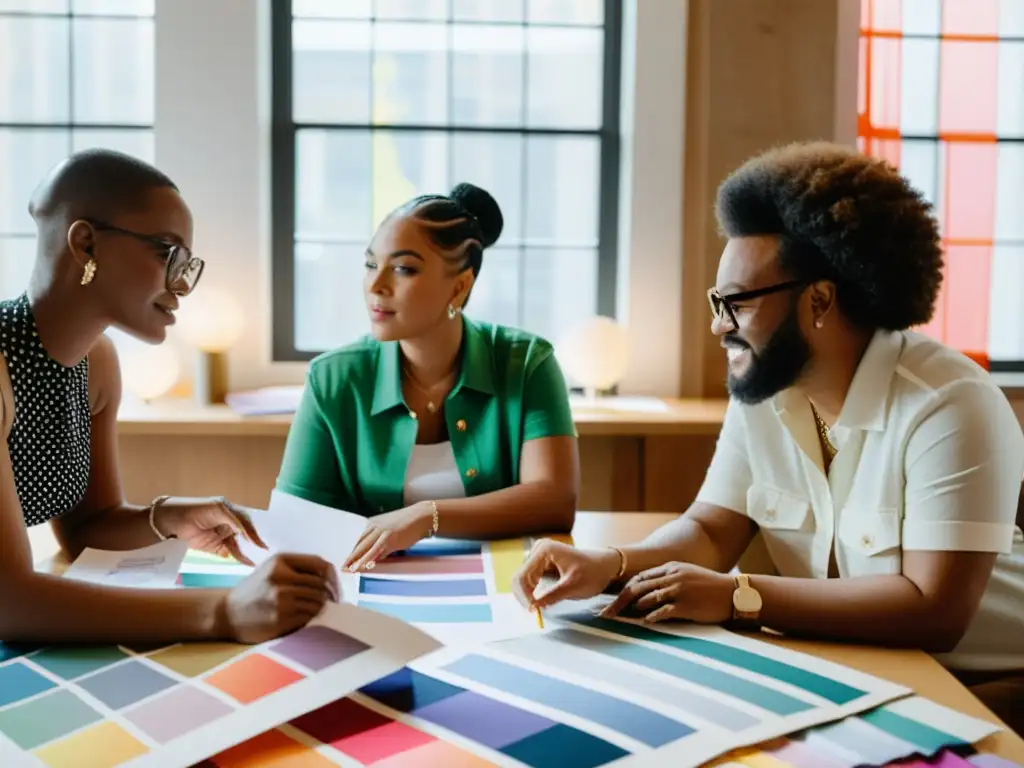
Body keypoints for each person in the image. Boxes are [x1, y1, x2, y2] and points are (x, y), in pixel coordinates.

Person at [511, 142, 1024, 731]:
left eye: (735, 304)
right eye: (716, 302)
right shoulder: (766, 390)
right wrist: (611, 562)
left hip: (982, 680)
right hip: (861, 665)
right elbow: (709, 529)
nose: (717, 324)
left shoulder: (950, 404)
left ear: (820, 300)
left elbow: (934, 612)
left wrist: (738, 595)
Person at [0, 149, 338, 647]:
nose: (182, 284)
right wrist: (224, 611)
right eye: (167, 254)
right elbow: (10, 603)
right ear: (86, 244)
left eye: (189, 264)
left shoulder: (98, 363)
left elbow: (87, 529)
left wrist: (169, 516)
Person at [275, 183, 580, 571]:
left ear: (459, 286)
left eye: (403, 268)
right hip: (371, 593)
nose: (376, 284)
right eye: (371, 264)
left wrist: (426, 517)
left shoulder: (527, 363)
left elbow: (554, 501)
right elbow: (294, 523)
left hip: (504, 592)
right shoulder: (332, 377)